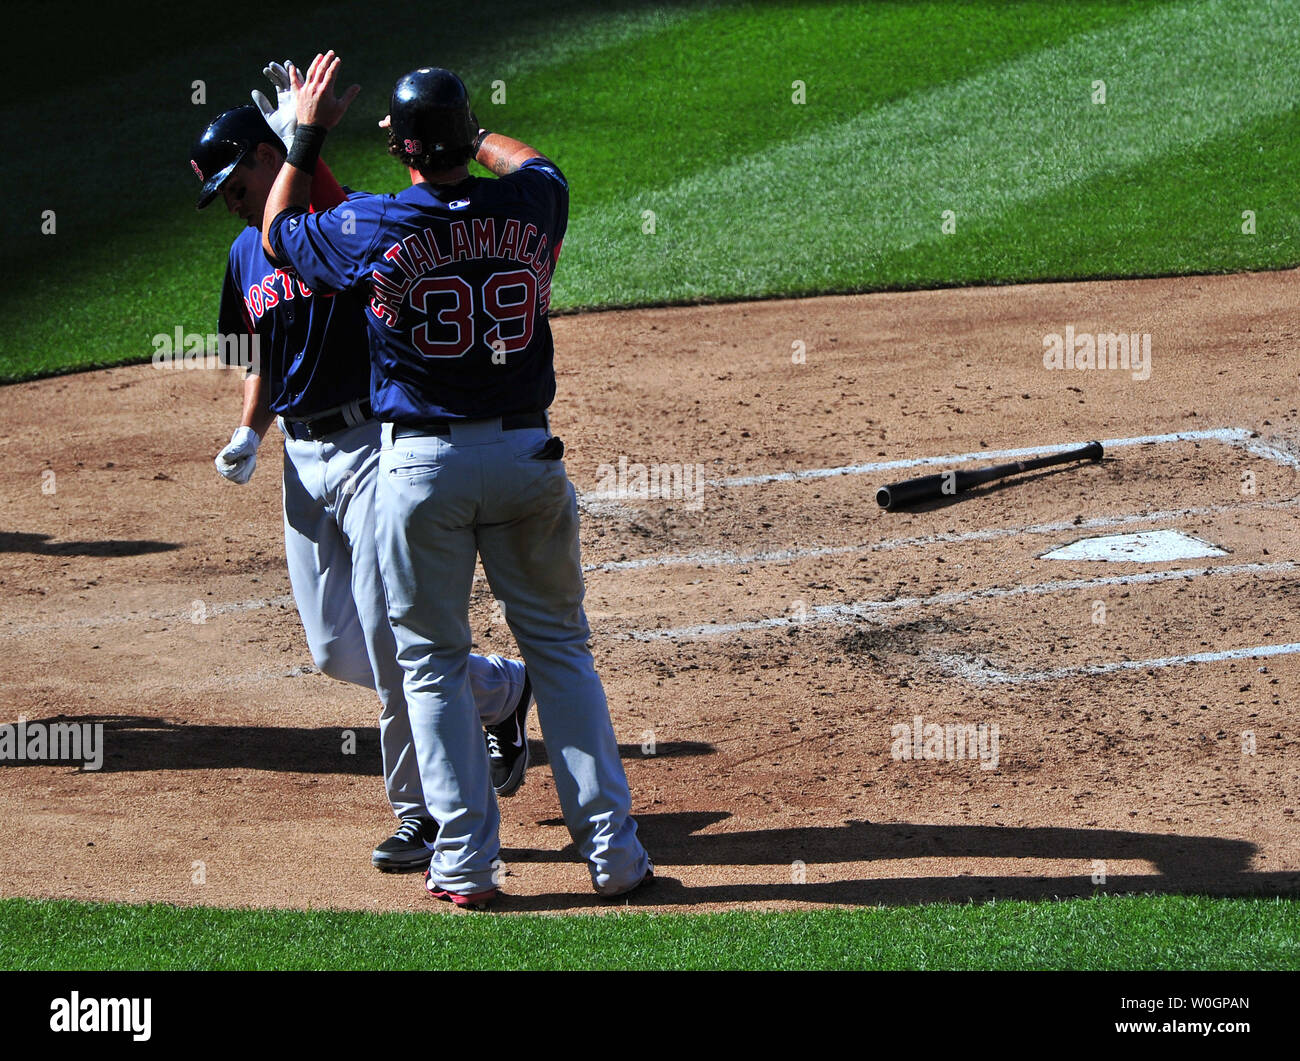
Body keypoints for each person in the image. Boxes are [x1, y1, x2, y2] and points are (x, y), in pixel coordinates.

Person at [261, 53, 652, 907]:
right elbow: (537, 163)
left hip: (420, 471)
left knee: (431, 665)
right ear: (463, 138)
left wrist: (306, 133)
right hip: (524, 461)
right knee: (561, 651)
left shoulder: (374, 223)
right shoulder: (533, 204)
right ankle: (615, 857)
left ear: (401, 147)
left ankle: (467, 865)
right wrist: (473, 136)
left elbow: (276, 229)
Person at [190, 63, 534, 875]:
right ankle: (500, 690)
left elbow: (336, 217)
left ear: (265, 159)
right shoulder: (245, 256)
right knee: (334, 646)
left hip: (371, 447)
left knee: (390, 643)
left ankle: (420, 815)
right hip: (301, 461)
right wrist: (249, 430)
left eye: (236, 185)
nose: (231, 205)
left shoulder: (343, 224)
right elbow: (259, 357)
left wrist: (305, 138)